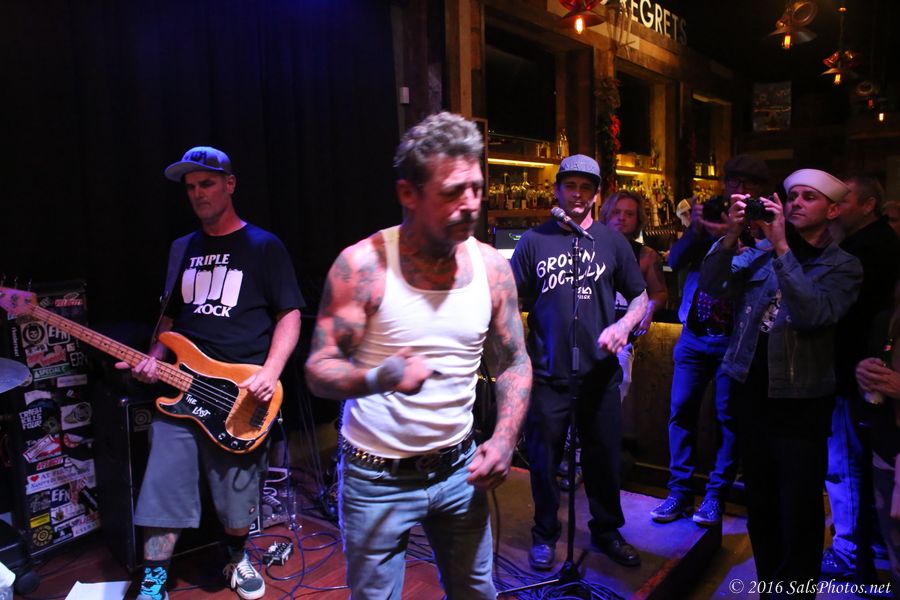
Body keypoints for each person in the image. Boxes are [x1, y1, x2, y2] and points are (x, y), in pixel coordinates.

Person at [303, 112, 531, 600]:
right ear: (408, 193)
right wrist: (378, 378)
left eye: (477, 187)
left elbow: (514, 361)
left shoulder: (492, 268)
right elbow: (318, 371)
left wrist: (504, 439)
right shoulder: (362, 266)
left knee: (477, 593)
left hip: (459, 470)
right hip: (375, 478)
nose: (471, 203)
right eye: (453, 192)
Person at [118, 146, 303, 600]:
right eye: (191, 187)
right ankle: (154, 579)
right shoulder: (182, 248)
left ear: (229, 184)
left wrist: (271, 371)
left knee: (237, 496)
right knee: (162, 487)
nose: (198, 193)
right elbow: (169, 318)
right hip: (181, 390)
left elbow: (290, 314)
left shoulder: (264, 246)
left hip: (239, 393)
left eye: (207, 183)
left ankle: (236, 558)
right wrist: (154, 357)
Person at [699, 168, 862, 598]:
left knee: (799, 512)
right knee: (762, 507)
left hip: (801, 401)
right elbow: (712, 284)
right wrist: (731, 234)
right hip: (751, 394)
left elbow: (813, 314)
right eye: (792, 196)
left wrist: (782, 248)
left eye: (809, 197)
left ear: (832, 210)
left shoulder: (844, 266)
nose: (796, 203)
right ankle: (771, 588)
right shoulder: (759, 253)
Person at [511, 154, 649, 571]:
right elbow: (510, 300)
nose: (576, 194)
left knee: (603, 459)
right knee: (544, 460)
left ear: (596, 194)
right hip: (547, 374)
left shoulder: (611, 242)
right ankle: (544, 534)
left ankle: (607, 530)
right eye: (569, 186)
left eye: (585, 187)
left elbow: (640, 296)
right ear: (556, 190)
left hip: (599, 374)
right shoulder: (533, 240)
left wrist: (624, 325)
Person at [651, 154, 768, 527]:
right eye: (734, 182)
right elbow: (675, 260)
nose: (740, 190)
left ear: (761, 190)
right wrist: (700, 230)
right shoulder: (713, 214)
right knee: (680, 413)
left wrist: (744, 231)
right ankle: (679, 493)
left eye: (749, 184)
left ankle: (716, 496)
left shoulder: (767, 222)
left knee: (727, 419)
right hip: (695, 334)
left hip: (735, 340)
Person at [823, 175, 900, 581]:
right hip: (864, 371)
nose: (835, 207)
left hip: (856, 372)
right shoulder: (873, 241)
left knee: (845, 463)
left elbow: (846, 314)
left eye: (844, 199)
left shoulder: (867, 248)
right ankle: (869, 545)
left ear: (868, 205)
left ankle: (850, 551)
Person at [599, 190, 668, 402]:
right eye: (616, 212)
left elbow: (660, 292)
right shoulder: (590, 248)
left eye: (629, 214)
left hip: (623, 341)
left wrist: (648, 310)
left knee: (618, 392)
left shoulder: (646, 255)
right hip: (590, 337)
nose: (622, 218)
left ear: (638, 220)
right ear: (606, 215)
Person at [855, 277, 900, 591]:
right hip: (887, 451)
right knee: (895, 555)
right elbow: (875, 384)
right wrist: (864, 375)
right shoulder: (887, 318)